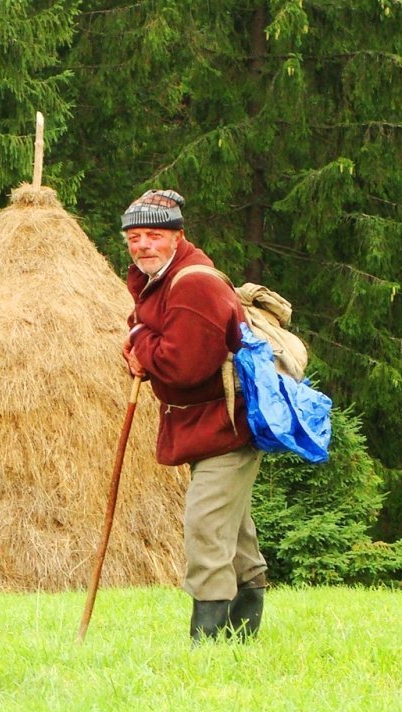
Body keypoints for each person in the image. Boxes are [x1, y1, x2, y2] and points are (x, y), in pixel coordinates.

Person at [121, 189, 268, 642]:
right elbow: (156, 339)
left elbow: (183, 366)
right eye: (133, 237)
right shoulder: (160, 280)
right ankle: (242, 638)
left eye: (152, 235)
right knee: (233, 530)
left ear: (177, 236)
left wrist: (139, 344)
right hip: (207, 427)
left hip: (227, 428)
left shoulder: (193, 284)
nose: (142, 245)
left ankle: (205, 641)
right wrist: (140, 343)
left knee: (205, 525)